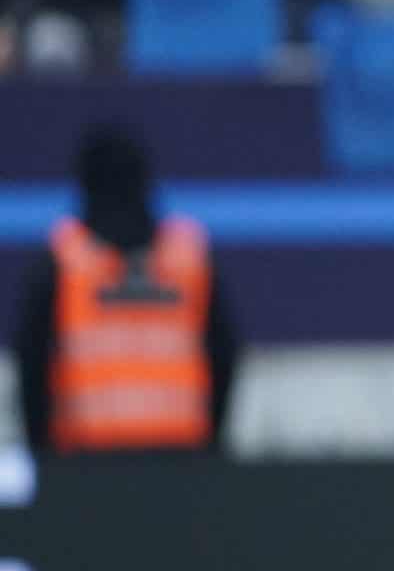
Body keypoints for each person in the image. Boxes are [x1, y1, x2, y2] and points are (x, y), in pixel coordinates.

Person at [12, 126, 238, 455]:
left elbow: (32, 365)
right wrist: (212, 448)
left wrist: (43, 456)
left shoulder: (61, 262)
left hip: (84, 467)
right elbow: (225, 355)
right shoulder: (189, 260)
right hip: (181, 464)